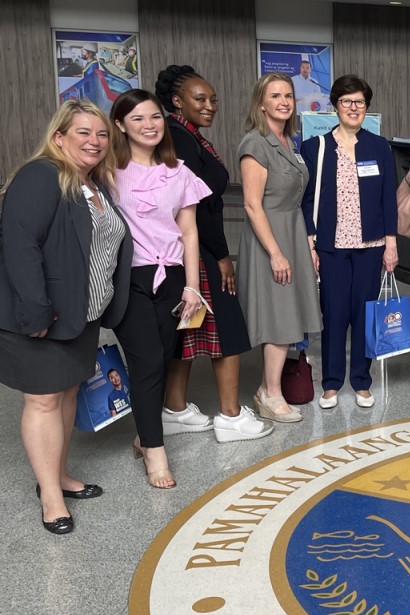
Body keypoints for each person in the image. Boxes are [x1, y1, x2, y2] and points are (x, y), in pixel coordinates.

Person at [0, 100, 132, 533]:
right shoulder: (41, 175)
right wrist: (36, 309)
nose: (95, 142)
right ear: (59, 137)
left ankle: (57, 475)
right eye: (83, 133)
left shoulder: (94, 184)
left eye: (101, 135)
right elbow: (20, 245)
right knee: (43, 400)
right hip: (42, 315)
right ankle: (50, 498)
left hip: (83, 314)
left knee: (69, 394)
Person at [155, 65, 271, 444]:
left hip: (187, 249)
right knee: (229, 330)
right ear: (177, 101)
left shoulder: (185, 136)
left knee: (187, 327)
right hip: (200, 249)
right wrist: (222, 256)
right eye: (200, 99)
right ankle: (231, 416)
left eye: (213, 99)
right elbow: (198, 207)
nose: (210, 106)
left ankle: (174, 410)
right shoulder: (180, 139)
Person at [108, 88, 207, 489]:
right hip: (128, 277)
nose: (148, 126)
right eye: (137, 119)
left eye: (154, 117)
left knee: (164, 359)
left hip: (172, 280)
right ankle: (155, 451)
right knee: (147, 359)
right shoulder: (106, 171)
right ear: (120, 125)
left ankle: (142, 432)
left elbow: (189, 231)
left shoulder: (178, 172)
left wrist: (192, 286)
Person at [301, 75, 398, 410]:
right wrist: (312, 242)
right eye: (347, 101)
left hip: (370, 245)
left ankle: (361, 380)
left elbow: (388, 199)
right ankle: (331, 383)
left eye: (360, 102)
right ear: (335, 106)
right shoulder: (316, 148)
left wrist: (391, 244)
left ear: (366, 108)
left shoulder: (378, 147)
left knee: (365, 313)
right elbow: (307, 197)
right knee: (335, 312)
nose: (353, 108)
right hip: (331, 245)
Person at [237, 73, 323, 423]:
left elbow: (300, 199)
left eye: (289, 95)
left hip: (292, 232)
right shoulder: (255, 143)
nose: (285, 101)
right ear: (261, 103)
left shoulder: (290, 142)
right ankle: (270, 393)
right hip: (269, 237)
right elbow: (252, 205)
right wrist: (275, 252)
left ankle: (268, 387)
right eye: (276, 96)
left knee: (290, 314)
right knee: (278, 317)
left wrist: (308, 246)